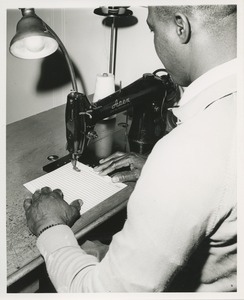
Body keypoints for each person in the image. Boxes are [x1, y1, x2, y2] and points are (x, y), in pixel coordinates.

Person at [23, 5, 237, 292]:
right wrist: (158, 171)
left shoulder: (188, 152)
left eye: (152, 29)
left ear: (180, 27)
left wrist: (49, 225)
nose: (154, 40)